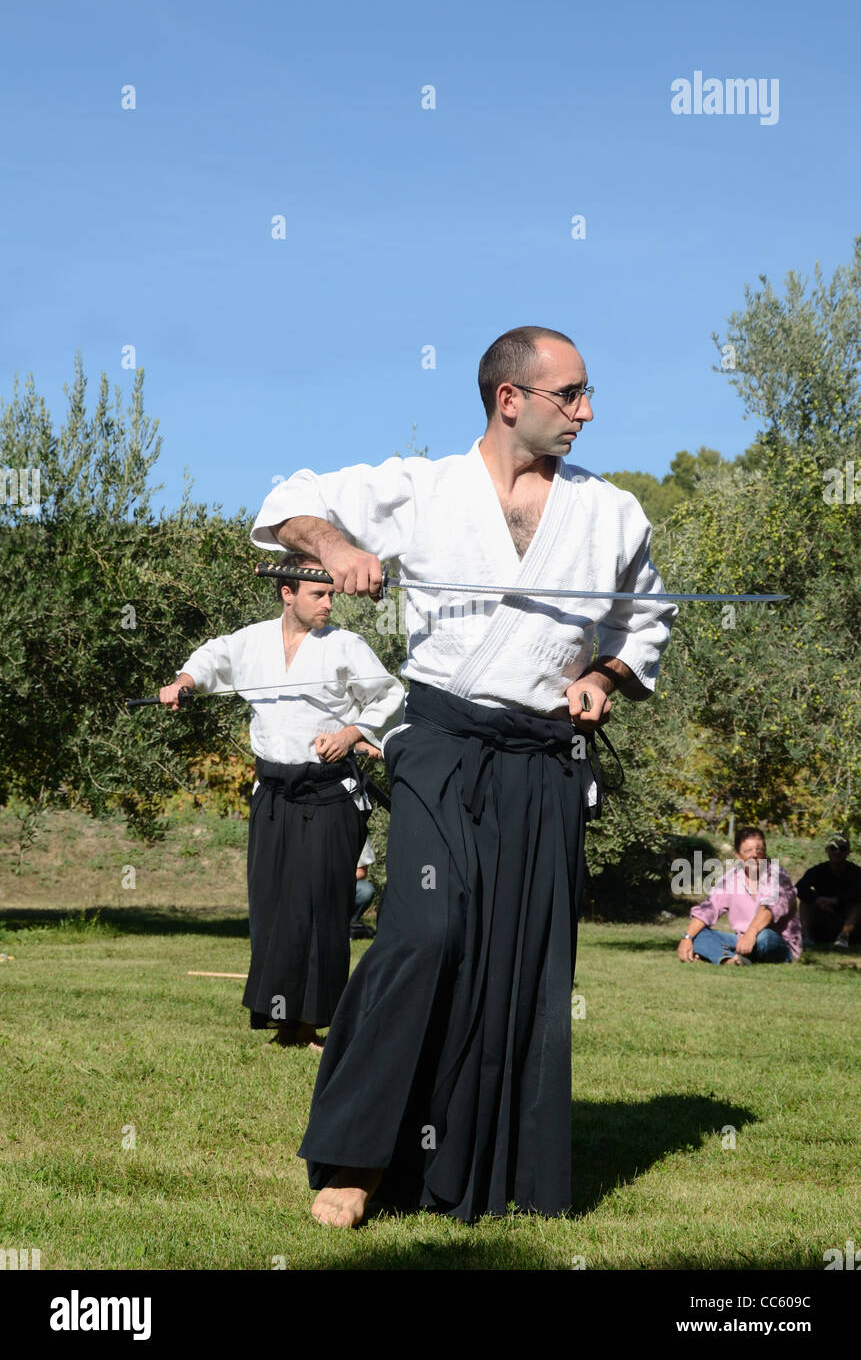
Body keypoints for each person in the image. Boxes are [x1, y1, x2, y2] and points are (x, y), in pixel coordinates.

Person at [251, 325, 676, 1223]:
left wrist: (601, 677)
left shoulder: (613, 513)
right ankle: (354, 1158)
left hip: (544, 759)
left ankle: (501, 1165)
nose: (587, 412)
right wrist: (331, 546)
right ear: (508, 398)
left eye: (589, 394)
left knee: (523, 962)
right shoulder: (424, 488)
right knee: (426, 934)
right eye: (571, 395)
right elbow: (289, 498)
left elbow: (645, 623)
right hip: (442, 746)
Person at [159, 553, 404, 1049]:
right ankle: (282, 1021)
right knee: (273, 907)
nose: (329, 603)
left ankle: (309, 1026)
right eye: (318, 594)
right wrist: (184, 682)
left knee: (319, 910)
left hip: (329, 795)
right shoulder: (251, 642)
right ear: (287, 593)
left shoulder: (346, 646)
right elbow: (211, 659)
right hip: (272, 795)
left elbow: (390, 694)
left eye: (332, 593)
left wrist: (351, 731)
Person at [676, 826, 801, 966]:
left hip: (775, 941)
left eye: (759, 849)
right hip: (742, 941)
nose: (755, 854)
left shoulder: (778, 876)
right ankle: (730, 960)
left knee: (765, 936)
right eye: (748, 851)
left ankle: (718, 954)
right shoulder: (731, 878)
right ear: (738, 855)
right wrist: (687, 938)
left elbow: (769, 909)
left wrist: (751, 934)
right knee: (697, 935)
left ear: (765, 851)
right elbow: (709, 909)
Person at [796, 835, 861, 949]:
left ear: (848, 852)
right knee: (806, 901)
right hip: (823, 916)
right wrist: (816, 900)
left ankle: (844, 936)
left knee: (857, 904)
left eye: (842, 848)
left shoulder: (856, 872)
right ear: (827, 850)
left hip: (849, 920)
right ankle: (805, 934)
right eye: (833, 848)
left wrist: (837, 900)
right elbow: (799, 887)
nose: (837, 852)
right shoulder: (818, 870)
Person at [351, 838, 376, 940]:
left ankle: (349, 925)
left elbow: (362, 872)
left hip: (345, 884)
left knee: (366, 890)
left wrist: (339, 882)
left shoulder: (360, 834)